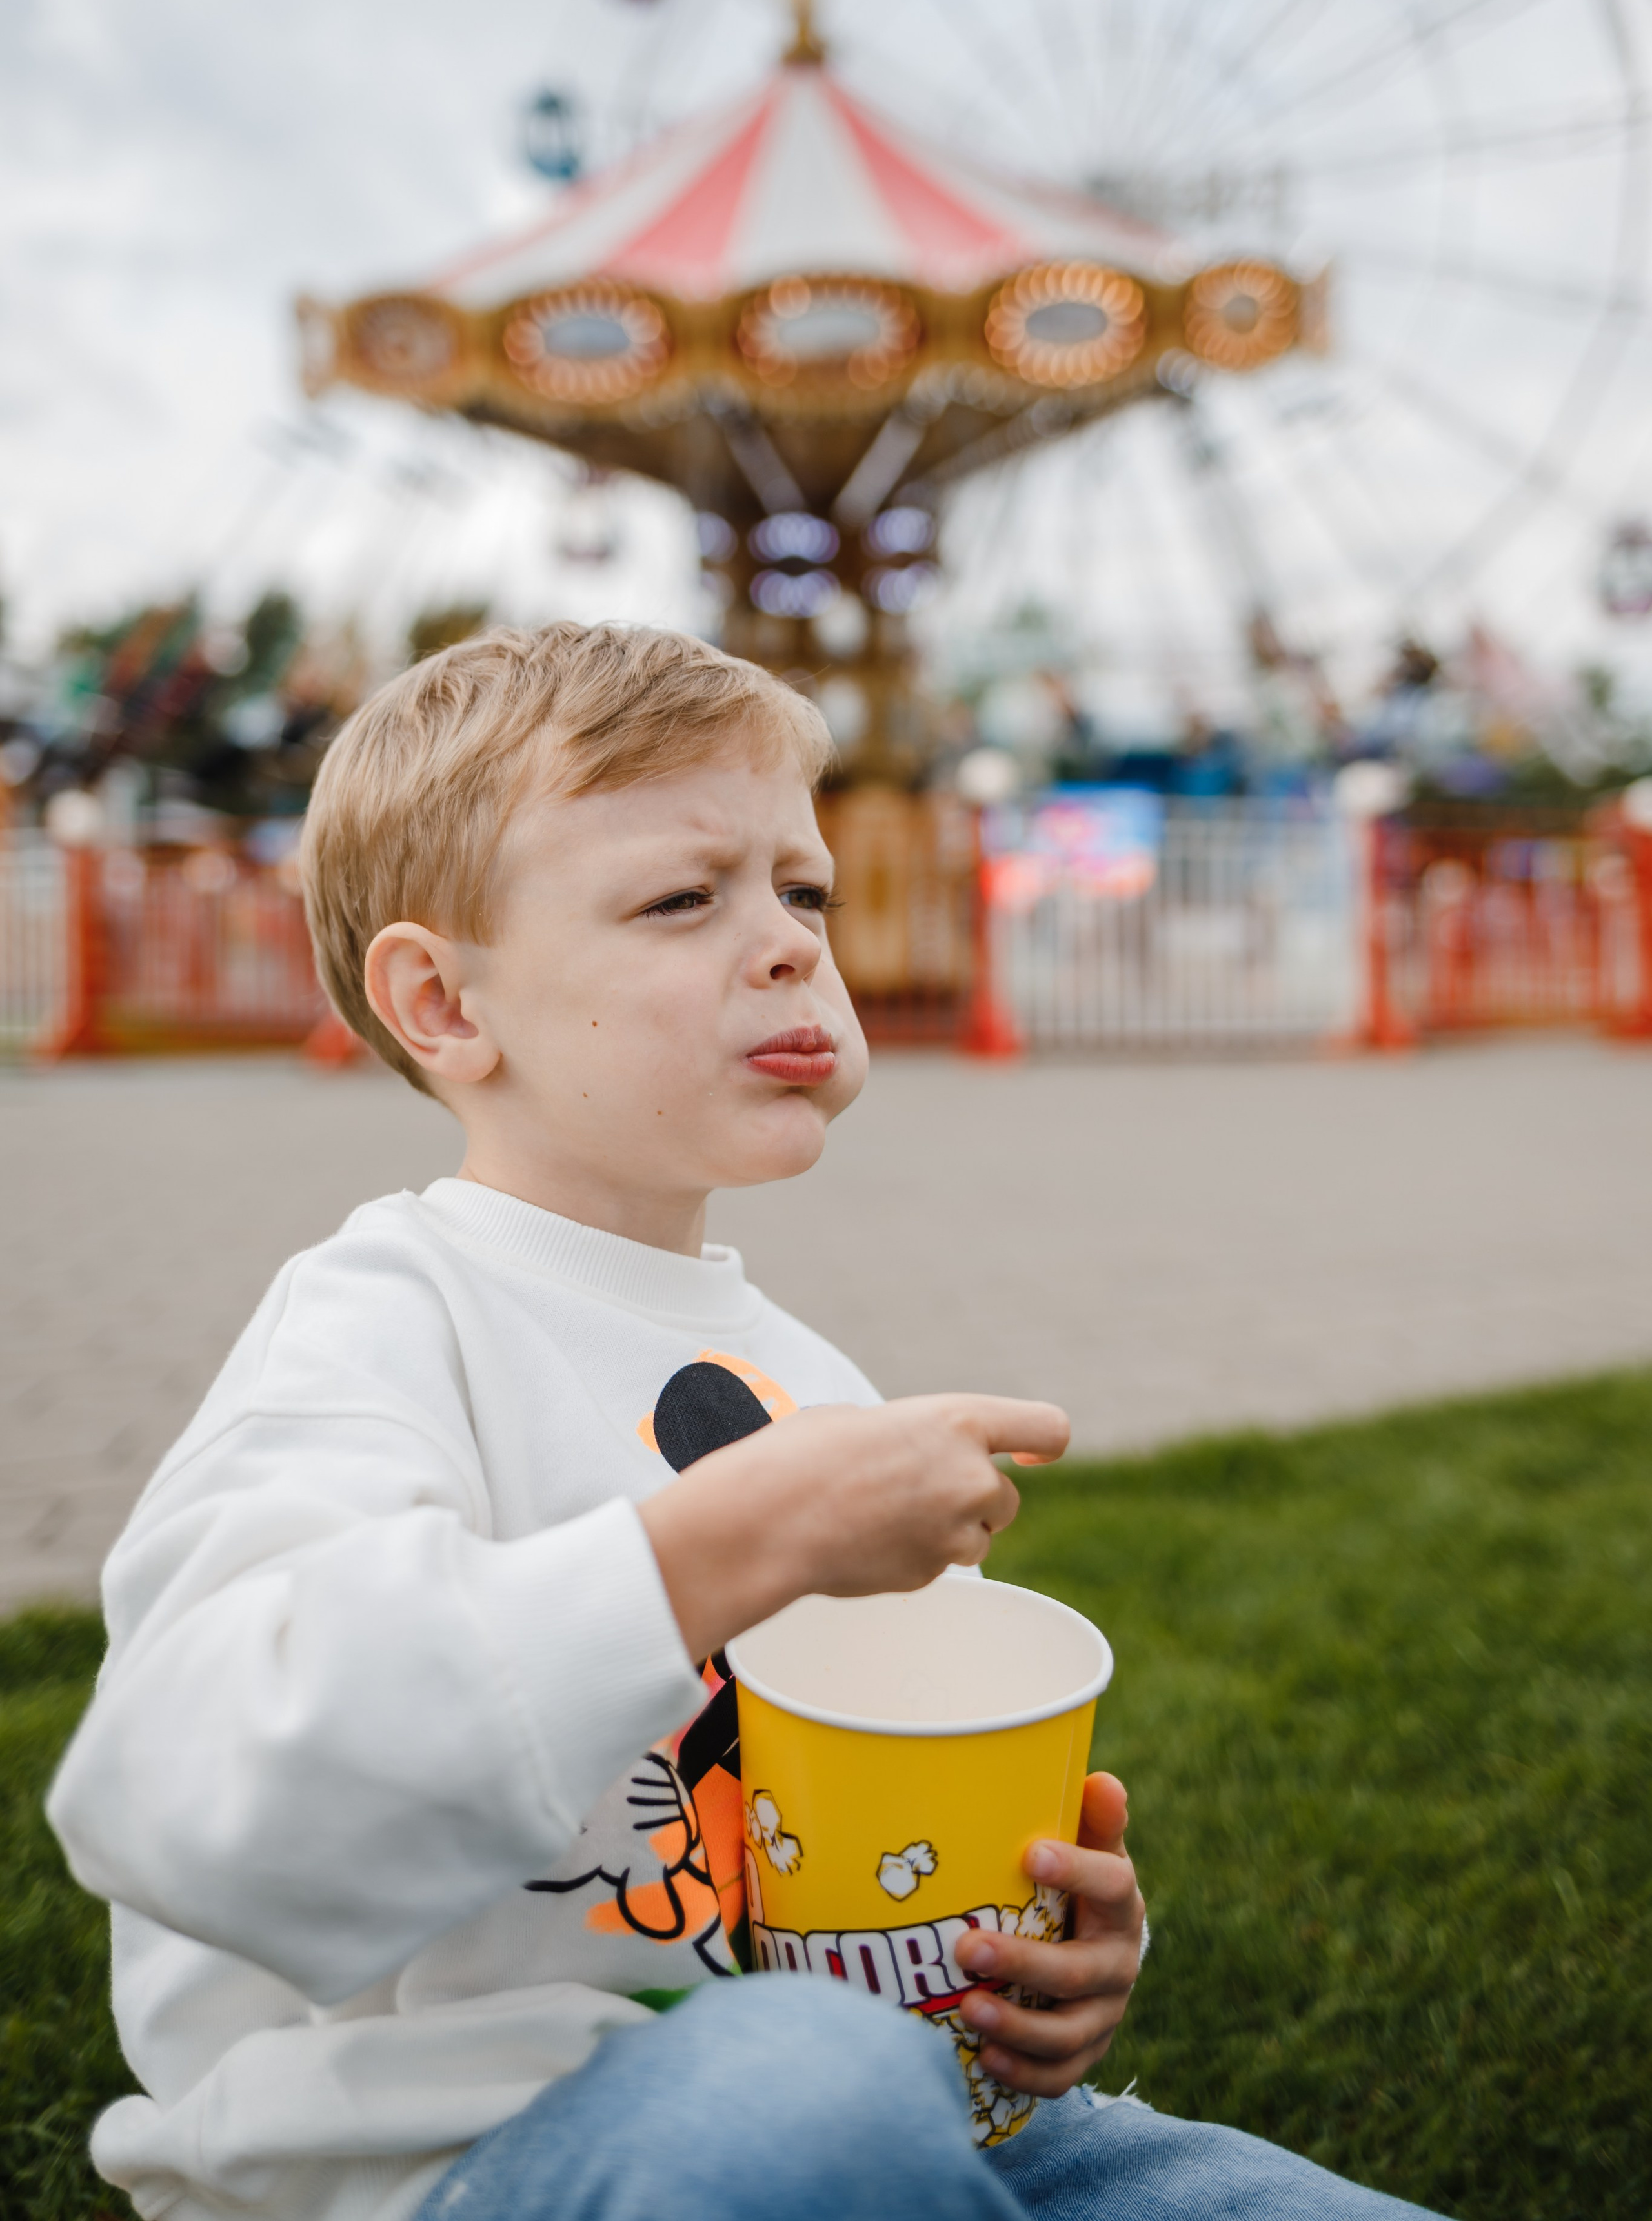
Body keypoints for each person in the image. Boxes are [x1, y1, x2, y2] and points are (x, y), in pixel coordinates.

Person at [49, 624, 1439, 2221]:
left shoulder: (806, 1374)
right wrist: (733, 1538)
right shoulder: (381, 1320)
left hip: (866, 2095)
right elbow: (179, 1791)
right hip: (449, 2162)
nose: (786, 944)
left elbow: (839, 1853)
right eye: (680, 899)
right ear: (441, 1001)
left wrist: (1023, 1957)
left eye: (802, 890)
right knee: (800, 2089)